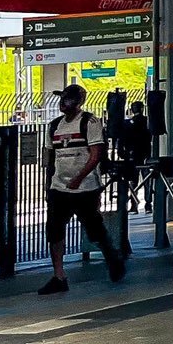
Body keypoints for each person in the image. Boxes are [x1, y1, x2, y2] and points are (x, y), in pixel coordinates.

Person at [39, 85, 126, 294]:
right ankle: (59, 275)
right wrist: (48, 183)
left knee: (93, 228)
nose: (63, 103)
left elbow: (95, 155)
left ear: (78, 102)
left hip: (85, 187)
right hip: (59, 187)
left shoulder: (90, 122)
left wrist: (79, 178)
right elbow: (49, 158)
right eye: (62, 99)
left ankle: (112, 258)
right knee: (54, 229)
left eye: (68, 99)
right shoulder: (54, 126)